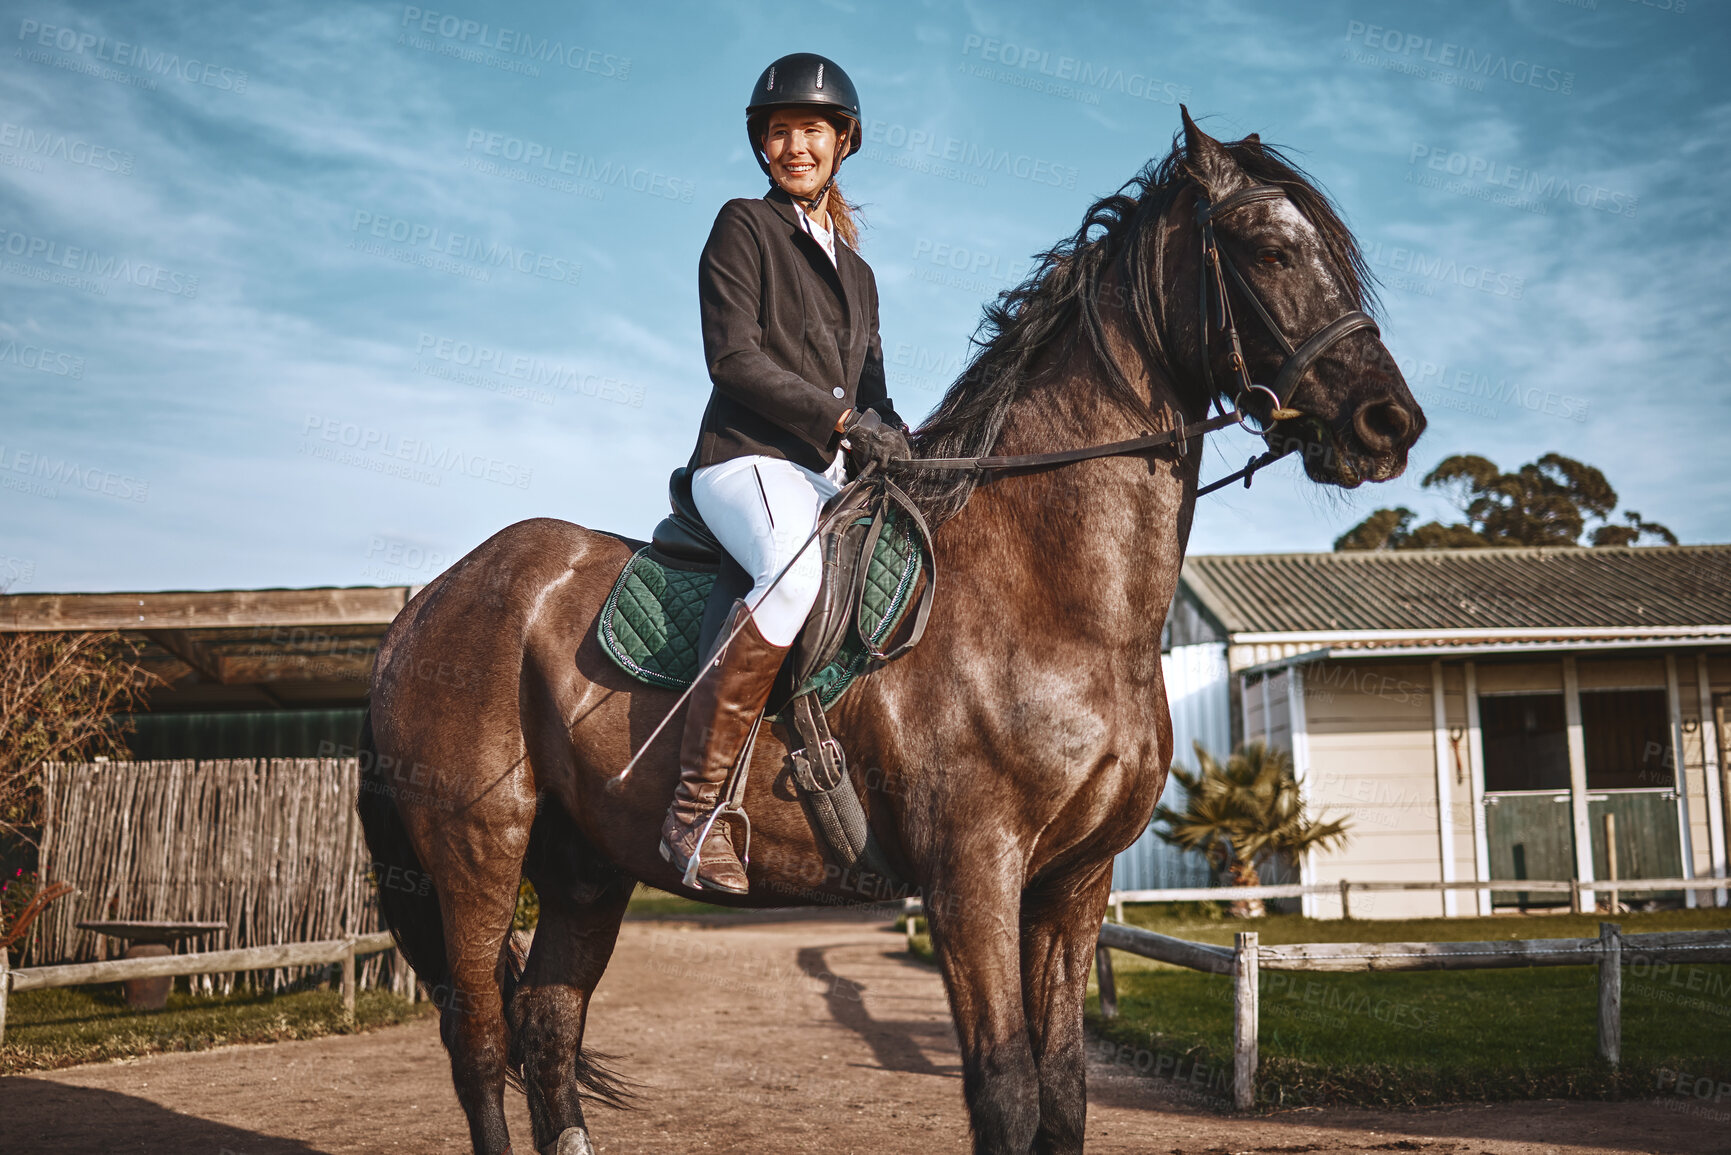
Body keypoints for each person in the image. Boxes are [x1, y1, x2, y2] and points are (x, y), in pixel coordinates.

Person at [660, 52, 911, 894]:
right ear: (762, 145)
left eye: (811, 129)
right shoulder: (743, 226)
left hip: (822, 474)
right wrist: (841, 423)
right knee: (793, 576)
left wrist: (907, 443)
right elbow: (732, 358)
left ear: (842, 142)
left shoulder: (860, 272)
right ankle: (695, 814)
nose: (794, 144)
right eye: (779, 130)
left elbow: (875, 394)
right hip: (745, 460)